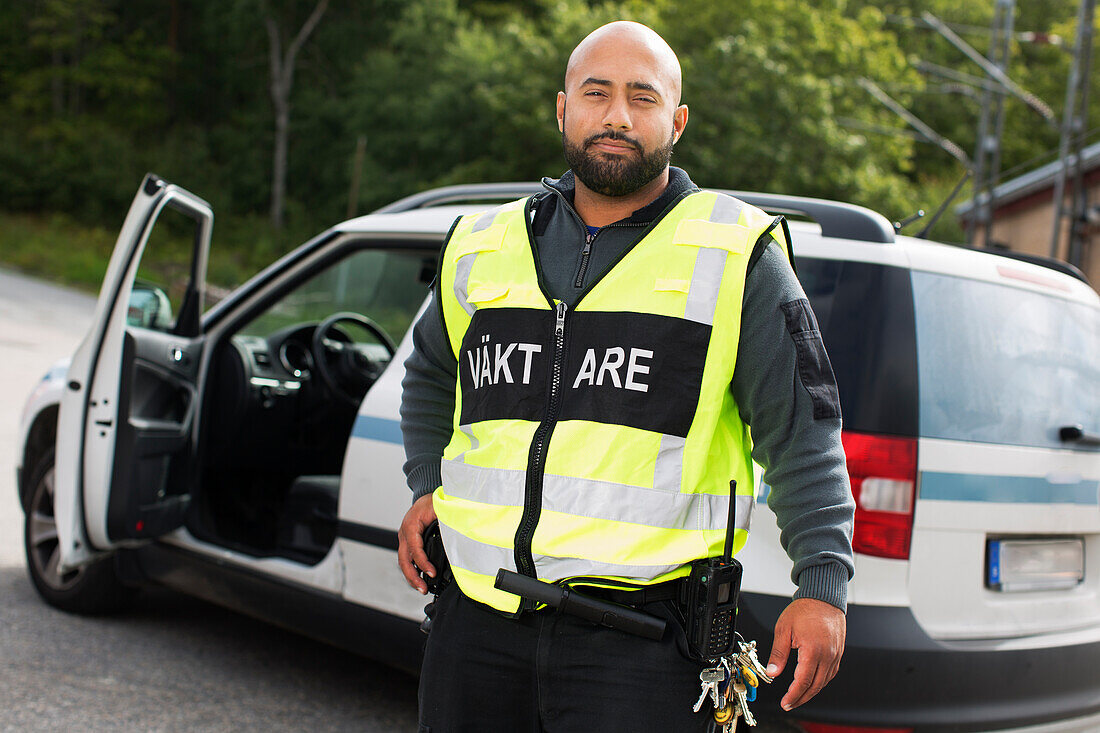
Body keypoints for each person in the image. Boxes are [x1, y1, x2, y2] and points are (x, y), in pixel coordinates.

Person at [397, 20, 854, 731]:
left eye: (642, 97)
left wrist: (822, 583)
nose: (616, 115)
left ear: (677, 121)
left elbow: (804, 432)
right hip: (476, 626)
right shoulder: (482, 245)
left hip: (642, 648)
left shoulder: (736, 255)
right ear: (562, 109)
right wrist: (427, 480)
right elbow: (428, 373)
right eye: (596, 92)